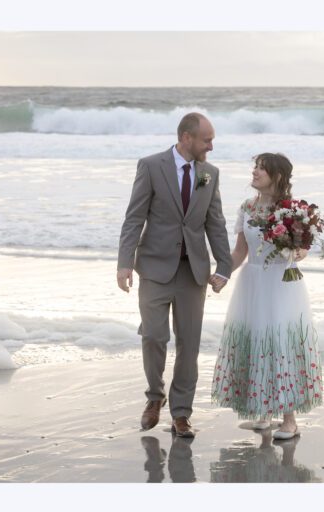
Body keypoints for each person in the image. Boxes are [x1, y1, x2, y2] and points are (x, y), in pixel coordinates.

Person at [118, 112, 233, 438]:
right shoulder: (151, 166)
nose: (211, 146)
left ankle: (181, 414)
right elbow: (134, 217)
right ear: (186, 138)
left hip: (193, 272)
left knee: (189, 345)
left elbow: (216, 222)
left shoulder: (209, 174)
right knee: (153, 336)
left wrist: (223, 267)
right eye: (206, 140)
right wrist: (124, 262)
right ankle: (155, 396)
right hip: (154, 268)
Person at [210, 152, 323, 440]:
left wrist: (301, 251)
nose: (255, 172)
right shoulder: (247, 207)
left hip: (282, 282)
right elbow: (240, 252)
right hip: (253, 280)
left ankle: (289, 418)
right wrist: (223, 273)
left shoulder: (293, 209)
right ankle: (262, 410)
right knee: (256, 338)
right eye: (255, 167)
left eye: (261, 169)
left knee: (281, 340)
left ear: (278, 176)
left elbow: (304, 245)